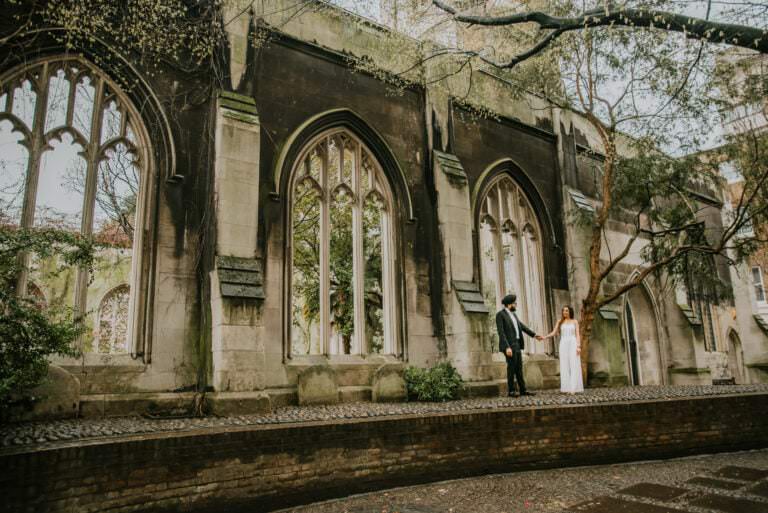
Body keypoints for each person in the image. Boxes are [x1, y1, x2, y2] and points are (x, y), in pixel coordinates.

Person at [496, 294, 542, 397]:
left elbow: (522, 327)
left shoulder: (514, 315)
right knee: (511, 368)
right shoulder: (500, 315)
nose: (516, 305)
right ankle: (511, 391)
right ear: (509, 304)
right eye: (514, 303)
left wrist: (534, 335)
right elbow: (501, 332)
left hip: (517, 344)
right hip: (508, 345)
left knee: (519, 368)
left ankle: (523, 390)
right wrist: (507, 347)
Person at [542, 306, 584, 394]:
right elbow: (554, 332)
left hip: (573, 343)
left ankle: (573, 388)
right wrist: (544, 337)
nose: (565, 312)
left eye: (566, 311)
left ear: (570, 311)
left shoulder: (574, 321)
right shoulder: (560, 322)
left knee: (574, 364)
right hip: (563, 344)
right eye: (563, 311)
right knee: (564, 365)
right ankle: (566, 388)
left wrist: (578, 346)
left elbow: (577, 334)